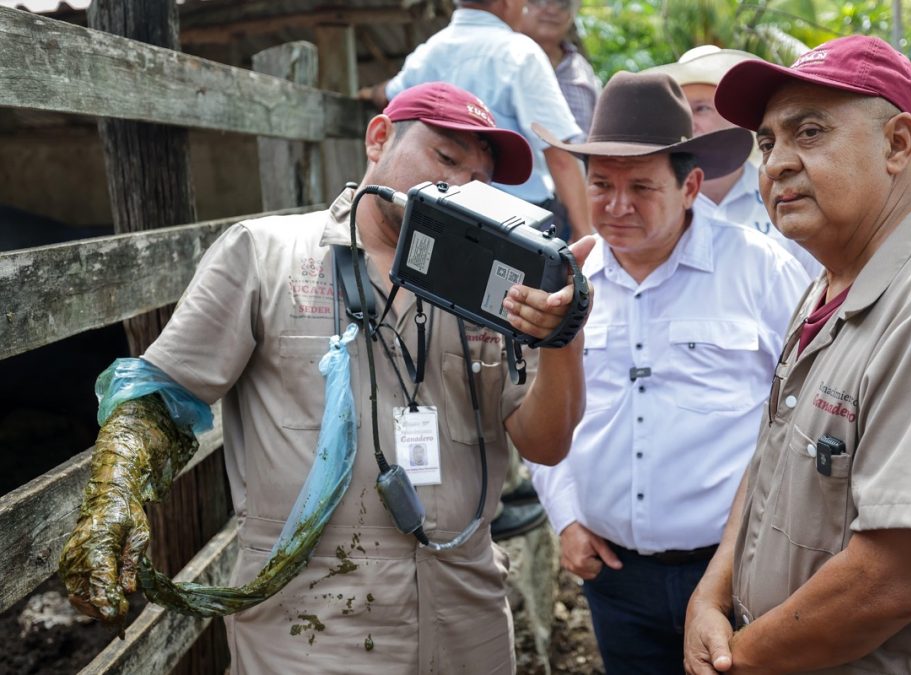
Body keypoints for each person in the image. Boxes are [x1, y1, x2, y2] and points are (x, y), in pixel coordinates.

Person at [59, 82, 592, 674]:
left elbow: (547, 443)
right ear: (379, 138)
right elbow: (159, 393)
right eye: (445, 159)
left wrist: (563, 333)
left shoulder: (494, 292)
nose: (458, 187)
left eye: (478, 178)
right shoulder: (266, 255)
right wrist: (113, 496)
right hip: (310, 629)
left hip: (465, 621)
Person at [684, 34, 911, 674]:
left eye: (809, 132)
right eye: (767, 142)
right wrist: (709, 597)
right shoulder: (830, 283)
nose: (774, 164)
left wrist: (736, 662)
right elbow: (774, 454)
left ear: (897, 144)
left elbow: (890, 580)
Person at [527, 71, 810, 674]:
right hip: (616, 577)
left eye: (642, 186)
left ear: (690, 187)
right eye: (601, 184)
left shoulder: (761, 270)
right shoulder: (565, 279)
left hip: (732, 568)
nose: (617, 205)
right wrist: (566, 516)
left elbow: (805, 406)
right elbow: (541, 407)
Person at [358, 0, 592, 243]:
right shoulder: (520, 53)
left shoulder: (430, 51)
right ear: (509, 2)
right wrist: (583, 230)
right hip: (517, 219)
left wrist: (367, 93)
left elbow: (392, 93)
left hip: (436, 207)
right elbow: (559, 153)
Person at [644, 45, 822, 279]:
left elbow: (818, 280)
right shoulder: (654, 202)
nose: (688, 121)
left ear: (734, 117)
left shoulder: (785, 192)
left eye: (701, 109)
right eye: (680, 111)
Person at [518, 0, 600, 136]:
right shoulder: (504, 61)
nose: (552, 10)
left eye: (564, 3)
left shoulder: (580, 68)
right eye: (541, 1)